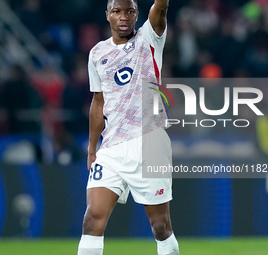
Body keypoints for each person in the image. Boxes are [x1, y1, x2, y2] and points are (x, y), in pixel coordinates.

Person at [78, 0, 179, 255]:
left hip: (149, 142)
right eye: (117, 12)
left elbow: (162, 6)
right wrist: (92, 148)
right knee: (92, 220)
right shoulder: (97, 54)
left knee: (160, 226)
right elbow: (98, 102)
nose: (123, 17)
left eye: (129, 12)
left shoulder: (149, 38)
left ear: (136, 15)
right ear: (107, 16)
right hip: (111, 148)